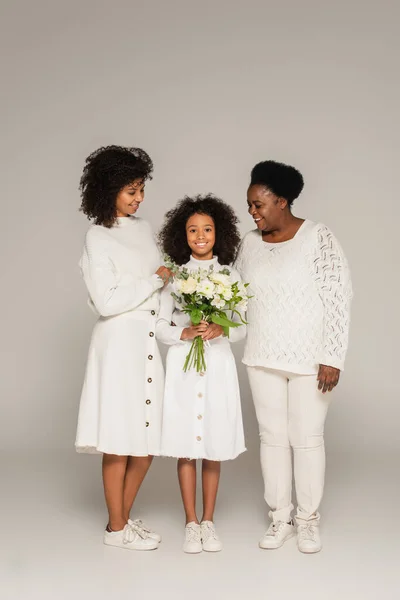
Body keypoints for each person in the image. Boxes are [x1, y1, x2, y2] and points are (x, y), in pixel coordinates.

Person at [235, 160, 352, 554]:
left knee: (306, 439)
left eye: (259, 204)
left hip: (310, 360)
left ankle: (307, 521)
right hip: (261, 355)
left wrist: (332, 356)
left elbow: (338, 299)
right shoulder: (248, 243)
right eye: (249, 205)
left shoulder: (319, 238)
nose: (252, 212)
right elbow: (235, 296)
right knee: (271, 439)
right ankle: (280, 516)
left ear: (282, 201)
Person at [75, 146, 172, 551]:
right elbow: (107, 301)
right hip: (117, 345)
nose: (139, 198)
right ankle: (116, 529)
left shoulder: (145, 228)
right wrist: (154, 281)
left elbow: (164, 282)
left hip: (148, 339)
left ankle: (122, 520)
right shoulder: (97, 236)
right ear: (108, 189)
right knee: (118, 438)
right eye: (131, 191)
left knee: (146, 440)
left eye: (141, 189)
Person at [157, 195, 246, 554]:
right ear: (183, 235)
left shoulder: (230, 274)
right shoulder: (176, 276)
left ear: (218, 232)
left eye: (207, 229)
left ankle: (209, 521)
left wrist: (221, 330)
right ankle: (190, 522)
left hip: (218, 365)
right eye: (192, 230)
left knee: (212, 445)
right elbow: (160, 326)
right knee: (185, 445)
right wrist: (185, 332)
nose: (200, 235)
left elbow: (241, 324)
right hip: (184, 367)